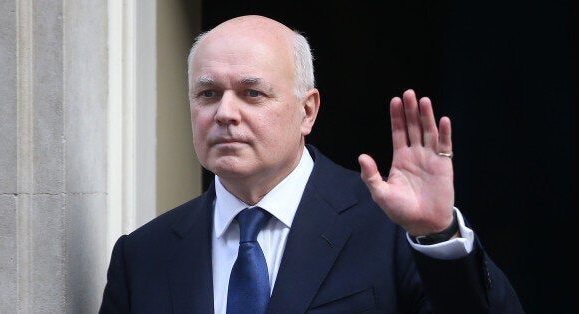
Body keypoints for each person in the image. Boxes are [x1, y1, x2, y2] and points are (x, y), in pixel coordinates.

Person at [100, 15, 523, 313]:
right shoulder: (142, 258)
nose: (225, 113)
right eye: (208, 94)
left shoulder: (391, 229)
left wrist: (437, 235)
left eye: (252, 93)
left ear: (307, 111)